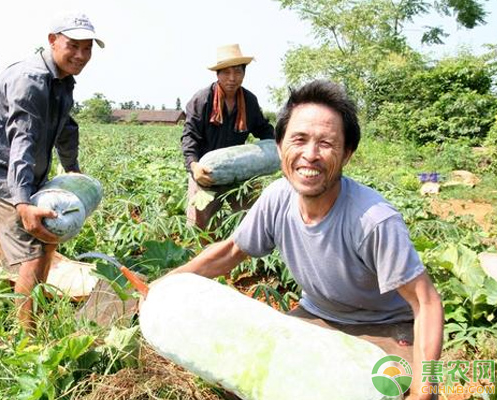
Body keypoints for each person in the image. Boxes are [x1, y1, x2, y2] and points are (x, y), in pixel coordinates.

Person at [170, 80, 443, 399]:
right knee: (243, 375)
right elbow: (231, 252)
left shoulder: (374, 220)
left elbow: (427, 303)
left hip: (387, 327)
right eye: (298, 139)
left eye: (326, 143)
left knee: (395, 392)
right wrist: (169, 281)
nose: (310, 155)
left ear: (347, 154)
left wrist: (426, 387)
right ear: (279, 147)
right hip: (317, 315)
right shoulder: (276, 198)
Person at [0, 12, 104, 331]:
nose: (81, 55)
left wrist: (73, 169)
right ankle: (26, 338)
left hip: (27, 175)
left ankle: (38, 313)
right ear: (52, 41)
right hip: (1, 176)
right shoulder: (30, 80)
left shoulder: (62, 80)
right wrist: (22, 202)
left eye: (88, 49)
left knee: (48, 238)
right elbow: (22, 140)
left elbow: (67, 127)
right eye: (74, 46)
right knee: (31, 251)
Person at [181, 43, 274, 233]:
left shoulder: (249, 101)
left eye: (238, 72)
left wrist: (284, 145)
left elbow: (263, 130)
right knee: (201, 229)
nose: (232, 78)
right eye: (226, 72)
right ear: (217, 74)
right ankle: (202, 259)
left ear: (244, 74)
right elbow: (189, 136)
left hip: (239, 172)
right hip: (206, 173)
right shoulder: (202, 100)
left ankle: (248, 258)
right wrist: (194, 166)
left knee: (251, 223)